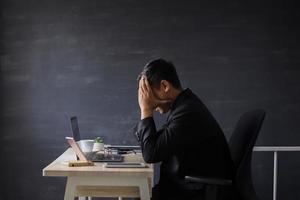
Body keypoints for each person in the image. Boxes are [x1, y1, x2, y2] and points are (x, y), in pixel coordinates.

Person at [135, 59, 234, 200]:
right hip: (185, 188)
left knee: (139, 195)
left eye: (148, 93)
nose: (147, 99)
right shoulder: (184, 106)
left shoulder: (187, 113)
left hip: (191, 193)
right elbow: (157, 143)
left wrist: (145, 109)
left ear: (165, 86)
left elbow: (151, 154)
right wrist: (146, 110)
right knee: (139, 194)